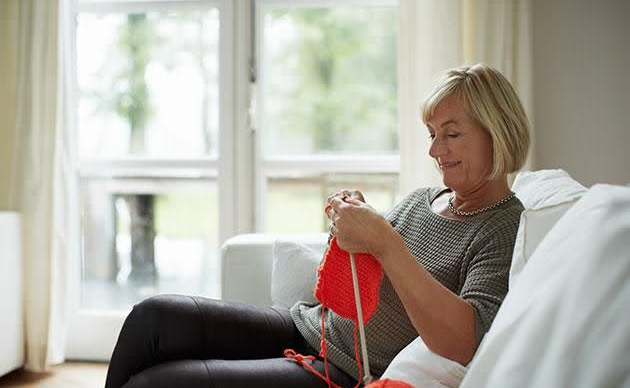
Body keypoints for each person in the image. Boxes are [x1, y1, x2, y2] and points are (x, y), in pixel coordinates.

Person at [104, 63, 530, 388]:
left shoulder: (504, 226)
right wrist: (354, 225)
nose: (436, 149)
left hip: (341, 371)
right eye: (432, 134)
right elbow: (364, 261)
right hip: (308, 326)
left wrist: (385, 242)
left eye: (450, 134)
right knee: (153, 318)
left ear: (496, 131)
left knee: (157, 384)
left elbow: (463, 341)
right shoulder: (424, 199)